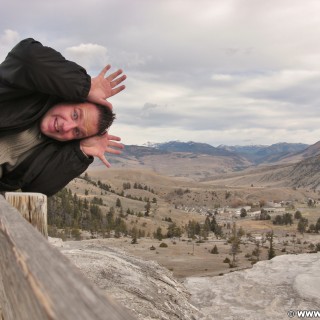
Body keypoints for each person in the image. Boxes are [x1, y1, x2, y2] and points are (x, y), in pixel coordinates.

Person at [0, 38, 126, 196]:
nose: (66, 127)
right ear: (69, 98)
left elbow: (38, 189)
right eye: (75, 115)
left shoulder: (49, 149)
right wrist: (85, 87)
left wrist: (80, 152)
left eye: (77, 132)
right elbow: (27, 56)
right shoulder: (29, 90)